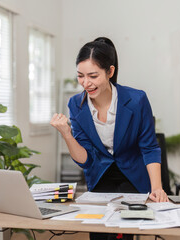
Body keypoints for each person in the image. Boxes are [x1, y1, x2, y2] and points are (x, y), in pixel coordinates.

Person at [50, 37, 168, 239]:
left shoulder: (136, 100)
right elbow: (85, 160)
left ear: (110, 72)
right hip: (99, 176)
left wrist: (157, 188)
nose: (86, 83)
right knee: (99, 232)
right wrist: (66, 134)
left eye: (93, 76)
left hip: (133, 176)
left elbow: (149, 147)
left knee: (124, 231)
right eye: (80, 76)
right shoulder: (75, 105)